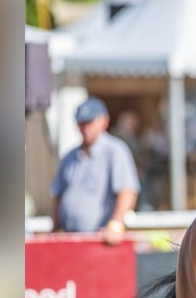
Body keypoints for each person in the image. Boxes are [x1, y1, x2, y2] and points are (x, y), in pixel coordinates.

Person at [51, 97, 140, 244]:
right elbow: (58, 196)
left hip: (99, 242)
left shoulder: (115, 151)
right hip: (69, 240)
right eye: (81, 123)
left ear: (104, 121)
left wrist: (115, 225)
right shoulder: (70, 156)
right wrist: (55, 229)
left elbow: (128, 191)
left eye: (89, 122)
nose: (85, 128)